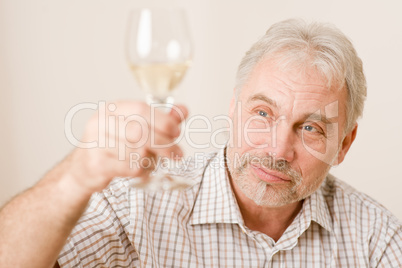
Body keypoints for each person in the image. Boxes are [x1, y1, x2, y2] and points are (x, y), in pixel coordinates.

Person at [0, 18, 401, 267]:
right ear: (233, 108)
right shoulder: (138, 206)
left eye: (311, 128)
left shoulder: (376, 237)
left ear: (344, 143)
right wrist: (74, 178)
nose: (278, 150)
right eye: (262, 114)